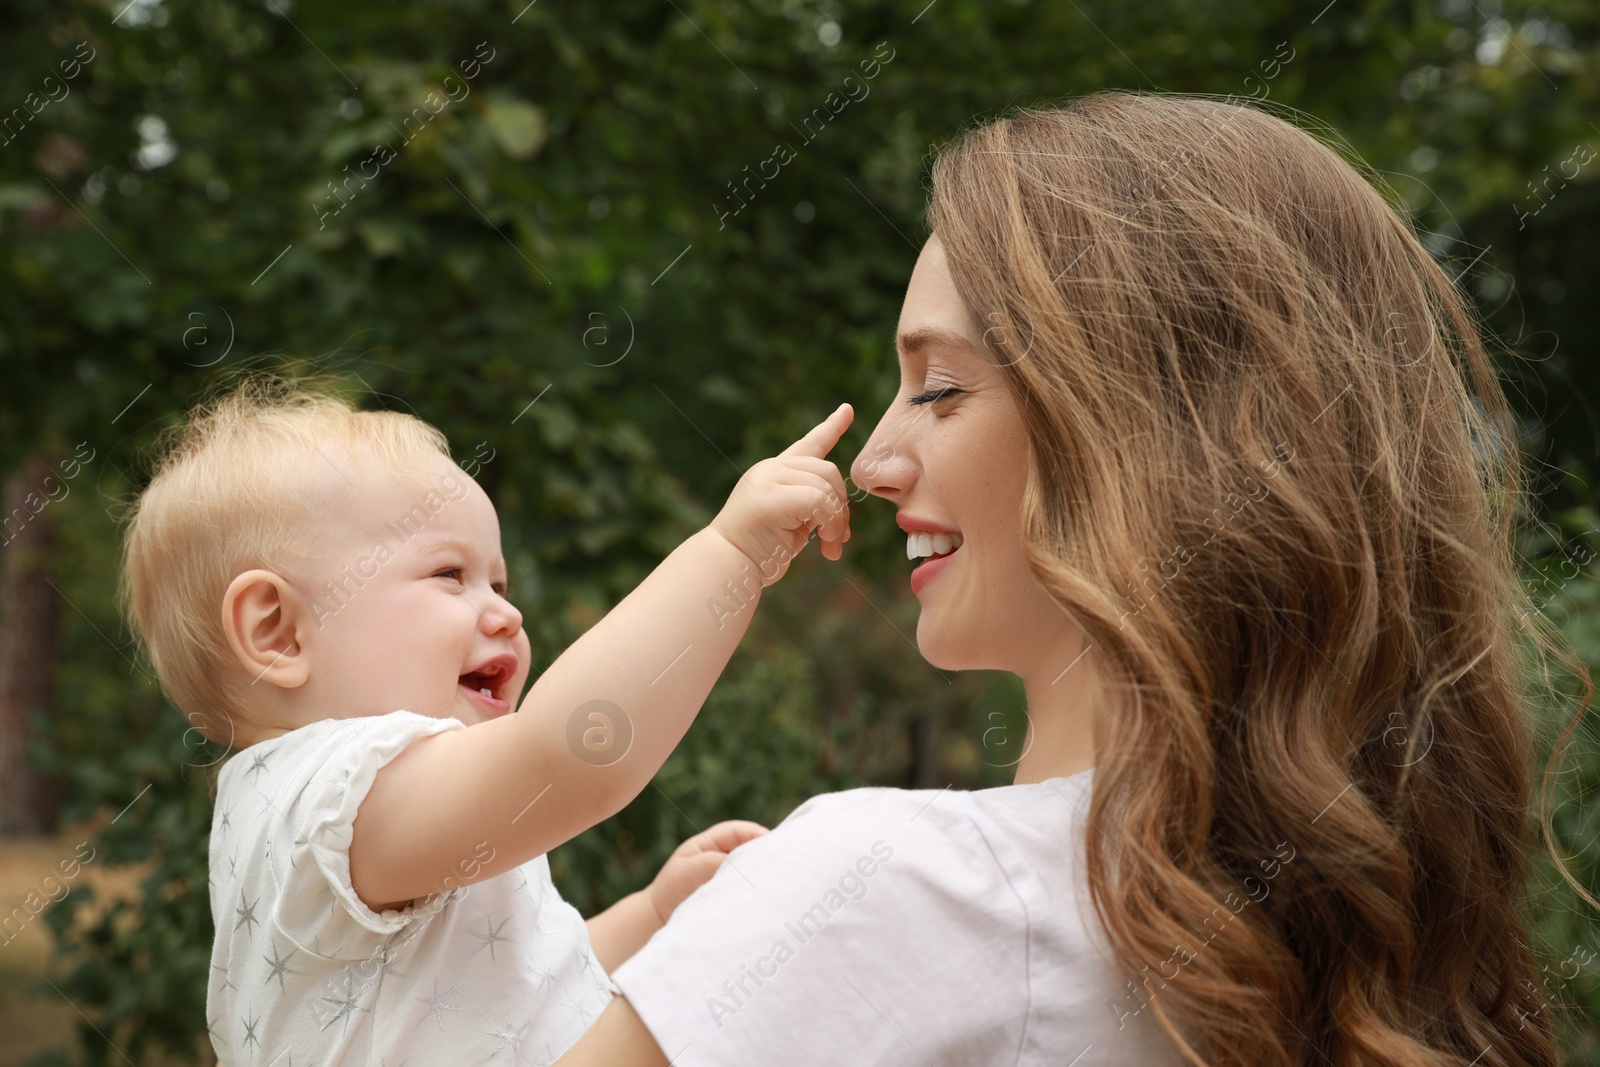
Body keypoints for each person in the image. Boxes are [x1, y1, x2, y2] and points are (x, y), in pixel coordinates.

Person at [557, 91, 1580, 1066]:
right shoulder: (1344, 958)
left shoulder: (891, 893)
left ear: (1144, 432)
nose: (869, 465)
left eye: (941, 387)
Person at [117, 379, 857, 1064]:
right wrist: (731, 552)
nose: (507, 612)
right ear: (277, 631)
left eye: (498, 582)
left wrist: (650, 912)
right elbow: (571, 753)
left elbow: (513, 998)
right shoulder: (332, 799)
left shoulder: (328, 819)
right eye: (451, 575)